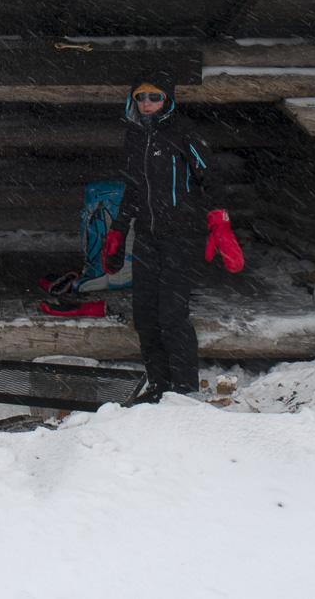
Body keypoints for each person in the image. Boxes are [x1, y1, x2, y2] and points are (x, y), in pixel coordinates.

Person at [102, 69, 245, 401]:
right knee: (145, 316)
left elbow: (212, 178)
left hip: (182, 237)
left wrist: (220, 224)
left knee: (172, 316)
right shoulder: (135, 136)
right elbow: (134, 189)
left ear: (167, 100)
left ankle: (183, 391)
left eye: (155, 97)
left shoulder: (184, 133)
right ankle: (159, 386)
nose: (148, 103)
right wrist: (119, 230)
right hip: (149, 238)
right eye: (141, 96)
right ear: (133, 99)